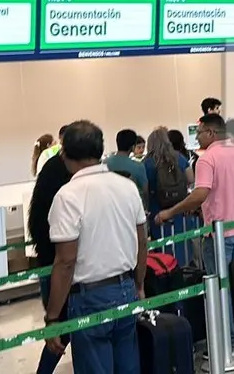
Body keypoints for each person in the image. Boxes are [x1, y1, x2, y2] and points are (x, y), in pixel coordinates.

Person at [44, 121, 147, 374]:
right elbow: (142, 242)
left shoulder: (67, 196)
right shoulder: (127, 186)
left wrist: (53, 317)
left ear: (65, 155)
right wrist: (139, 285)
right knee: (128, 365)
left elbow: (66, 261)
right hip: (126, 289)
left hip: (90, 297)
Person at [158, 113, 234, 343]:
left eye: (200, 132)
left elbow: (201, 193)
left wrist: (170, 212)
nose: (197, 138)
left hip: (218, 236)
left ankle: (228, 342)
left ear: (211, 133)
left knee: (220, 291)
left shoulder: (207, 159)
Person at [28, 128, 75, 374]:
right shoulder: (69, 183)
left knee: (60, 329)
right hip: (68, 265)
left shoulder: (49, 170)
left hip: (48, 259)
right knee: (68, 325)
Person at [144, 126, 194, 264]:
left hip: (158, 213)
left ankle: (167, 273)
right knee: (183, 246)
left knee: (163, 251)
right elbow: (191, 179)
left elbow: (145, 189)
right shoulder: (179, 157)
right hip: (181, 211)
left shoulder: (148, 163)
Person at [105, 128, 149, 206]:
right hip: (132, 206)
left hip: (110, 205)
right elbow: (145, 191)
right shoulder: (138, 166)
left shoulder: (105, 163)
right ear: (133, 146)